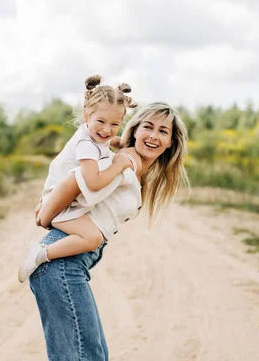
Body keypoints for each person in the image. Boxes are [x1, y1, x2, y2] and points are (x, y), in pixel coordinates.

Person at [28, 102, 189, 360]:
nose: (153, 136)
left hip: (68, 266)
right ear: (135, 130)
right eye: (147, 127)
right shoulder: (122, 162)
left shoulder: (134, 168)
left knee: (90, 354)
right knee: (88, 355)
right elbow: (74, 178)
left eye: (162, 131)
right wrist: (46, 213)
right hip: (60, 266)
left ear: (170, 142)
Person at [17, 74, 138, 282]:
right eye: (101, 121)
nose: (107, 130)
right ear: (86, 115)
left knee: (93, 235)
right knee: (92, 238)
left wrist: (119, 142)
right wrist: (119, 165)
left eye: (114, 124)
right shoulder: (86, 146)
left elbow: (107, 140)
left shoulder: (94, 135)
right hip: (58, 203)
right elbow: (94, 181)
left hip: (63, 197)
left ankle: (41, 252)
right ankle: (39, 254)